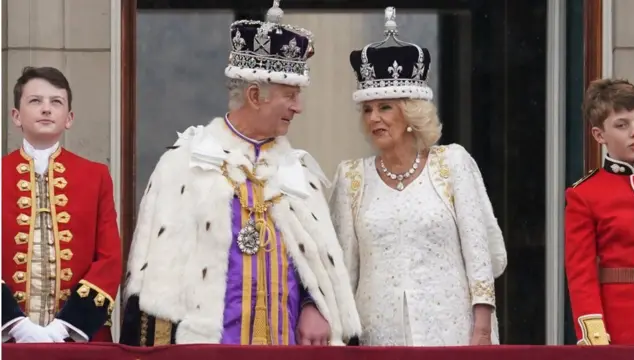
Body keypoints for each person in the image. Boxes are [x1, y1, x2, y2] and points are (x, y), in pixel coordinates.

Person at [119, 0, 361, 347]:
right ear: (254, 95)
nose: (299, 107)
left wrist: (314, 304)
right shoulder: (184, 163)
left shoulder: (299, 172)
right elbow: (154, 278)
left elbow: (317, 266)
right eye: (290, 95)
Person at [329, 7, 507, 346]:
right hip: (379, 336)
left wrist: (482, 330)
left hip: (452, 331)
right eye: (367, 109)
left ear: (411, 111)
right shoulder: (351, 177)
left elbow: (481, 253)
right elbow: (344, 271)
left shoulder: (452, 164)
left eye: (385, 107)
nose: (373, 118)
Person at [1, 66, 122, 343]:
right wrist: (12, 323)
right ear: (16, 116)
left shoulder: (96, 176)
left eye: (56, 102)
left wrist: (67, 327)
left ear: (68, 118)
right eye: (35, 101)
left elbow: (109, 258)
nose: (46, 109)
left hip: (78, 338)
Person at [565, 78, 634, 346]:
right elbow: (580, 272)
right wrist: (594, 333)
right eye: (622, 125)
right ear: (599, 135)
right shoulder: (585, 194)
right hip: (623, 325)